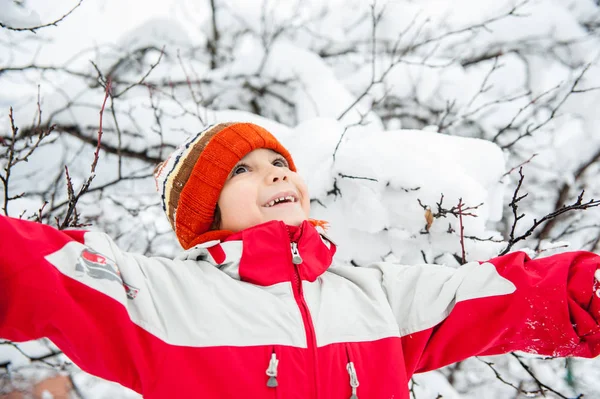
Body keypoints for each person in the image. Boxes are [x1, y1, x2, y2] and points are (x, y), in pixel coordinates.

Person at [1, 122, 599, 399]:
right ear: (206, 213)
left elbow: (511, 295)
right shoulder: (158, 299)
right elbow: (33, 270)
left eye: (278, 162)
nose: (276, 172)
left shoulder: (376, 295)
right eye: (243, 170)